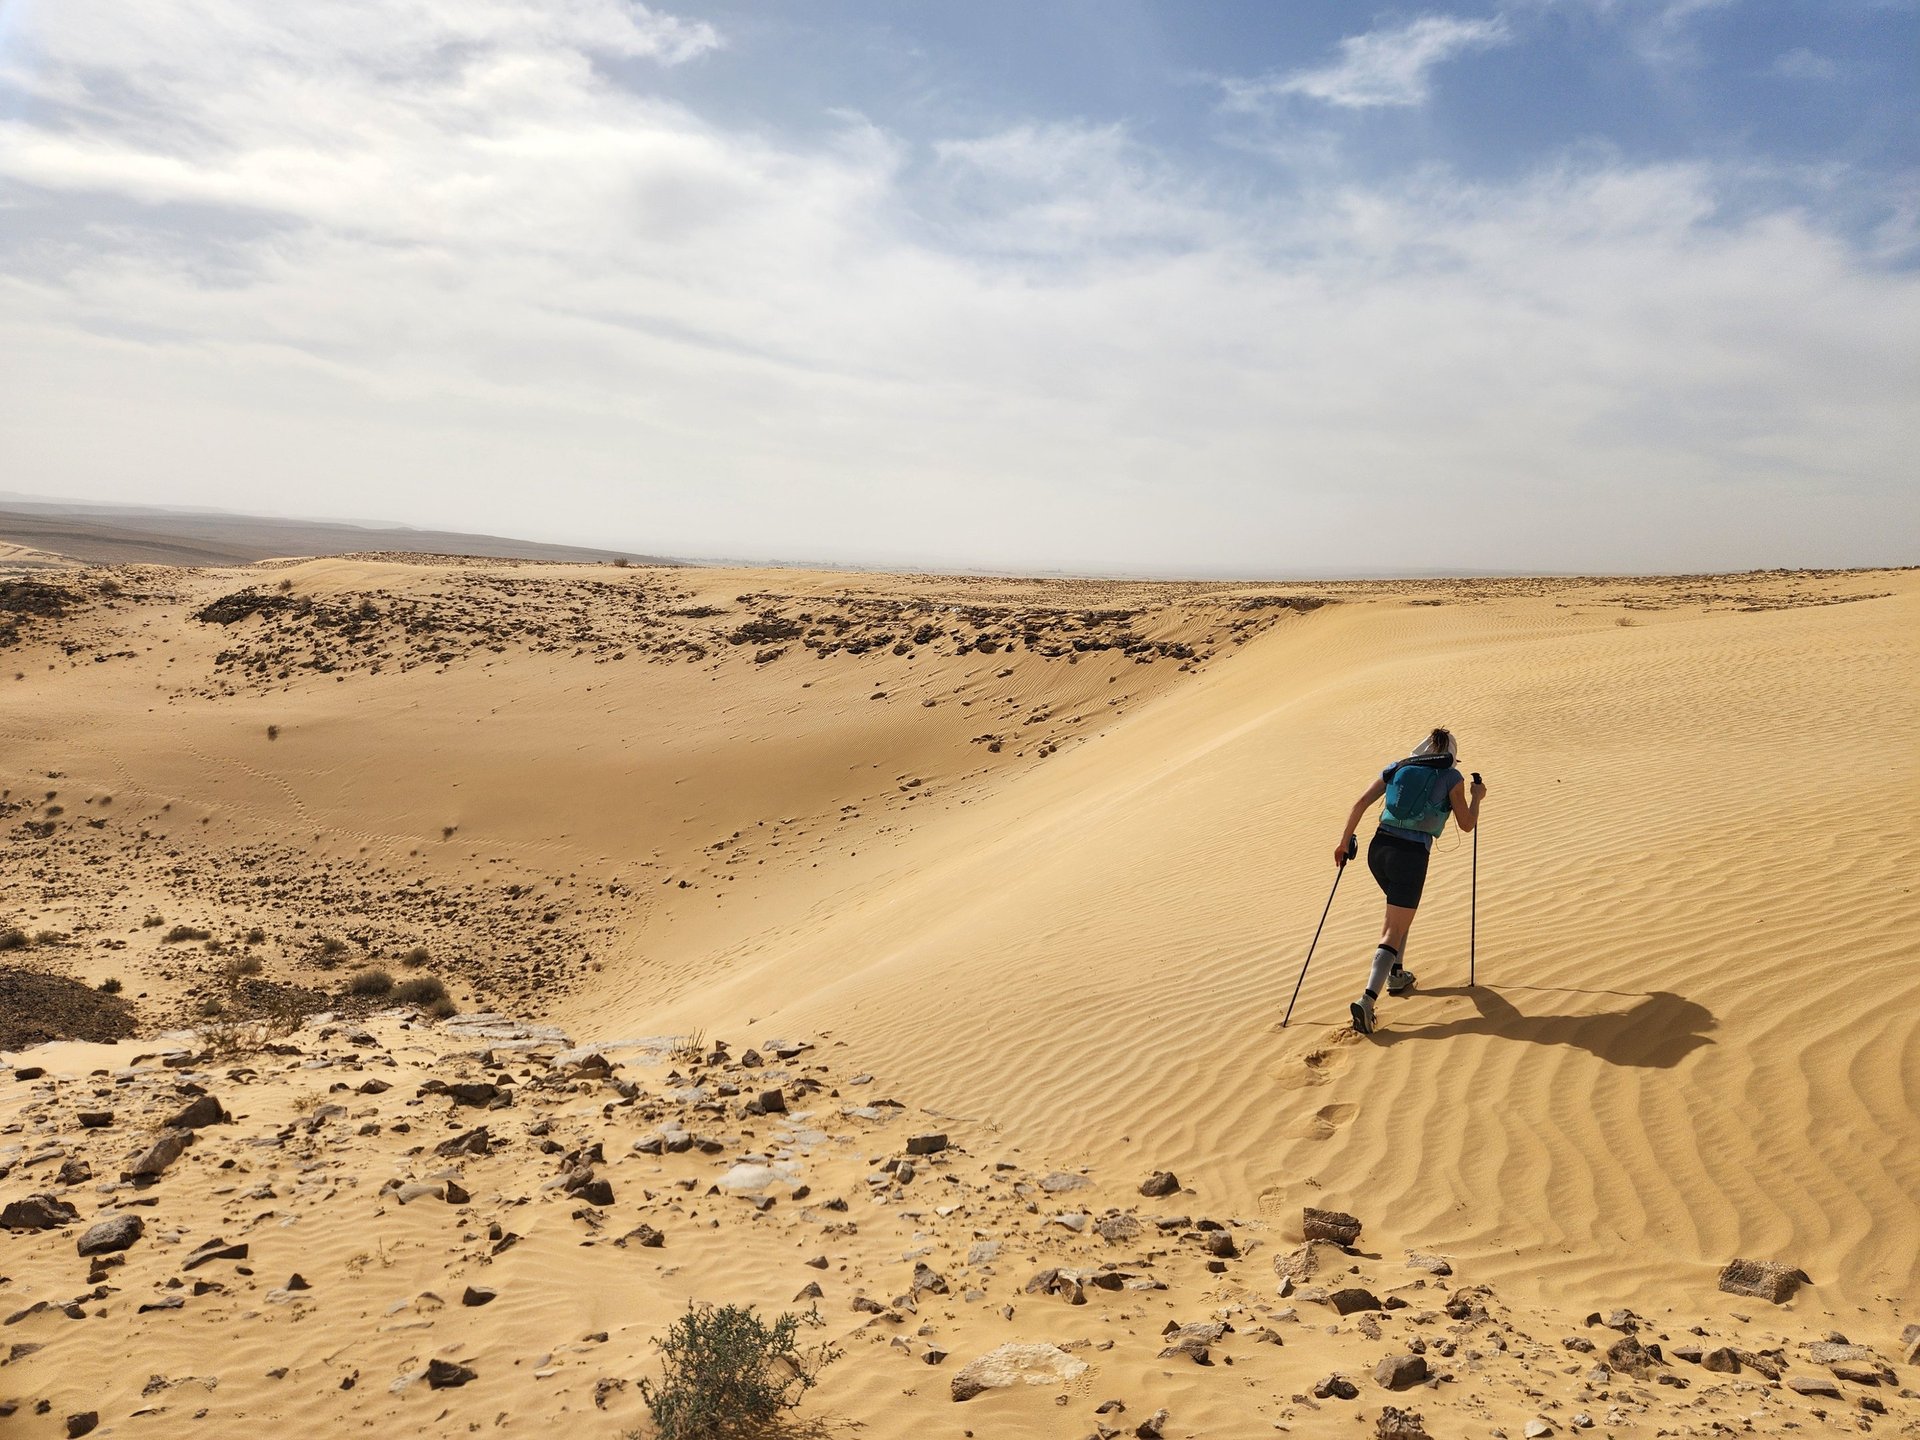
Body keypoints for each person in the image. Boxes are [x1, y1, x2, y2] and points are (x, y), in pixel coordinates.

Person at [1333, 726, 1485, 1035]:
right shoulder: (1451, 777)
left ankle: (1397, 973)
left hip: (1378, 851)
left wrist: (1343, 842)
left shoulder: (1398, 766)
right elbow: (1467, 824)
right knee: (1394, 927)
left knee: (1399, 915)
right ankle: (1367, 1001)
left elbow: (1360, 802)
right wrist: (1477, 798)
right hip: (1410, 856)